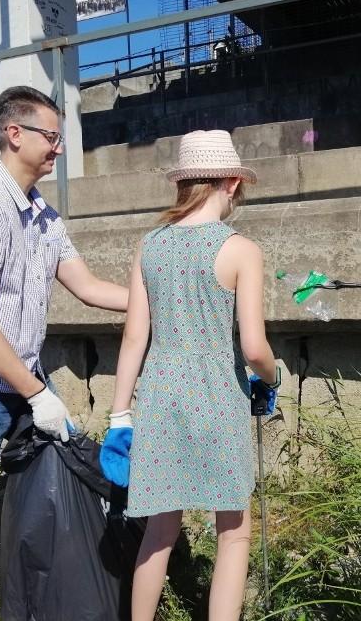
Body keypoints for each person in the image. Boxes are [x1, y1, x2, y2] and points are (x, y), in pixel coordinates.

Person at [0, 85, 129, 621]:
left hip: (22, 379)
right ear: (15, 134)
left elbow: (87, 287)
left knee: (53, 483)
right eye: (51, 136)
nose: (59, 147)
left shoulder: (44, 215)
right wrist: (39, 394)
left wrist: (158, 302)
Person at [109, 129, 279, 621]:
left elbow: (134, 338)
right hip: (218, 398)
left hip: (160, 399)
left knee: (159, 531)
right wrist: (270, 379)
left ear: (184, 184)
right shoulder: (241, 249)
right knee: (234, 530)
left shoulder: (150, 245)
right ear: (230, 183)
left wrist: (121, 414)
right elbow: (253, 347)